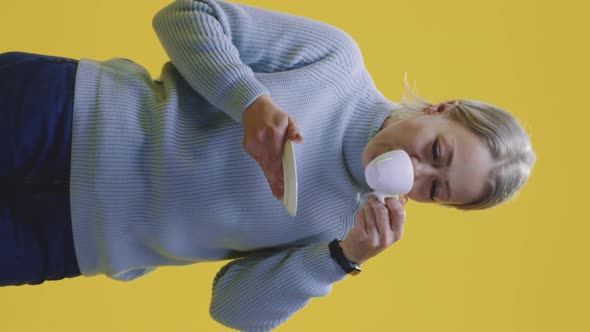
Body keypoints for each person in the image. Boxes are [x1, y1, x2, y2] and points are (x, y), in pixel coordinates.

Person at [0, 0, 536, 330]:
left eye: (436, 190)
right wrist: (248, 102)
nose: (417, 172)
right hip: (62, 111)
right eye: (437, 152)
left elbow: (232, 310)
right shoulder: (336, 61)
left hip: (63, 239)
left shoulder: (342, 232)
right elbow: (184, 14)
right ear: (442, 109)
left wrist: (342, 259)